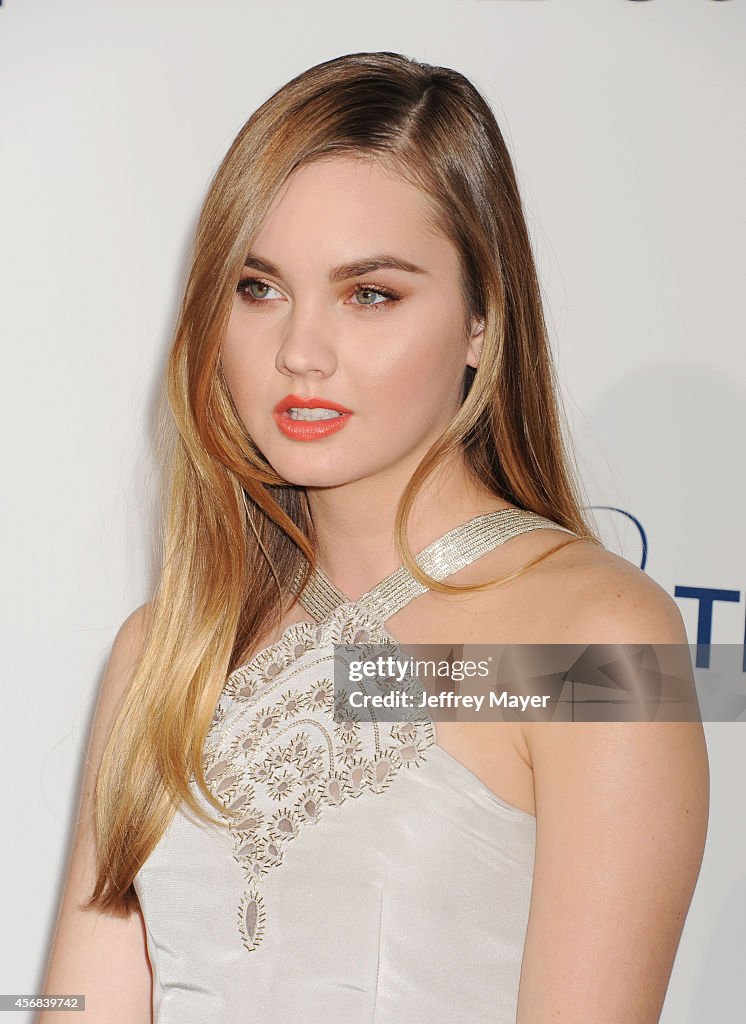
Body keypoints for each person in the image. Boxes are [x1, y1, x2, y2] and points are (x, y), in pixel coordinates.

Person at [39, 51, 709, 1024]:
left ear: (480, 320)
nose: (300, 351)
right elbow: (74, 1005)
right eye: (257, 287)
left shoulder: (596, 639)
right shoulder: (164, 650)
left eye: (369, 293)